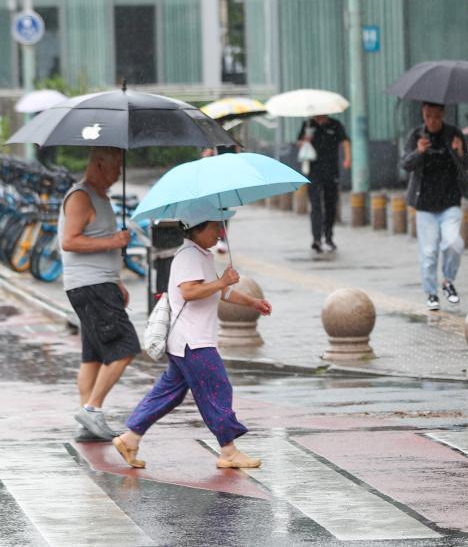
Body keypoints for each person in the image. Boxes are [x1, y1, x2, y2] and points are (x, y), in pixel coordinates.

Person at [112, 208, 272, 469]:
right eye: (215, 227)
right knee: (218, 389)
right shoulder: (188, 256)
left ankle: (129, 439)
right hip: (193, 342)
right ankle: (229, 452)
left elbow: (221, 292)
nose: (220, 232)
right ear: (198, 228)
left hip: (186, 341)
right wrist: (221, 282)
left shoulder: (200, 255)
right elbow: (189, 291)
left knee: (169, 393)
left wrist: (252, 302)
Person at [59, 147, 137, 442]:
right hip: (90, 285)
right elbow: (70, 241)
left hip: (100, 283)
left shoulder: (101, 196)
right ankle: (92, 409)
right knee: (125, 346)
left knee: (91, 356)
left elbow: (96, 239)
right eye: (116, 167)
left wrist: (116, 279)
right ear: (99, 164)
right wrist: (113, 241)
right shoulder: (81, 196)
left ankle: (86, 419)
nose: (118, 174)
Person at [402, 102, 468, 310]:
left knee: (453, 243)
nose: (431, 120)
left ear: (442, 115)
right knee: (429, 252)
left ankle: (448, 281)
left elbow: (467, 165)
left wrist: (459, 152)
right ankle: (431, 293)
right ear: (423, 115)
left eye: (436, 116)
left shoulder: (453, 134)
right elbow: (405, 164)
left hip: (450, 201)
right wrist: (419, 152)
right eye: (427, 116)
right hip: (424, 204)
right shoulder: (416, 136)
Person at [297, 115, 351, 254]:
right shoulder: (308, 124)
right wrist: (305, 140)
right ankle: (316, 239)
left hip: (331, 171)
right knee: (315, 205)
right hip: (313, 171)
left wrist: (347, 159)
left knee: (330, 205)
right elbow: (299, 143)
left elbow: (345, 141)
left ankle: (328, 237)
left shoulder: (335, 124)